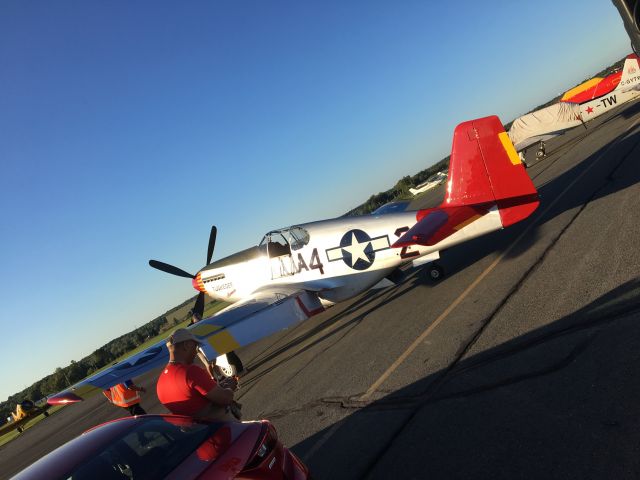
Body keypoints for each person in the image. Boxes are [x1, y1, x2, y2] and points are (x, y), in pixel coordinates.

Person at [156, 328, 240, 421]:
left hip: (193, 432)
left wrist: (219, 387)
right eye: (195, 346)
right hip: (218, 429)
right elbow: (225, 398)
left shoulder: (160, 382)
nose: (196, 351)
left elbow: (193, 401)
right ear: (186, 345)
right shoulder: (191, 371)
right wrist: (230, 387)